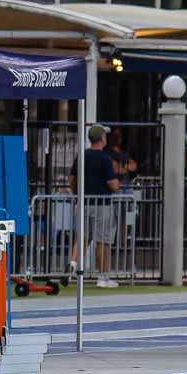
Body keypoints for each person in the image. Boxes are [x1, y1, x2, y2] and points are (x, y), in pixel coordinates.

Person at [70, 123, 120, 289]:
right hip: (102, 204)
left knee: (82, 237)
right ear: (102, 139)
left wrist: (77, 193)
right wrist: (117, 185)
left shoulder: (81, 156)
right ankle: (102, 277)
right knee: (102, 241)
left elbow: (72, 179)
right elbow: (112, 184)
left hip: (84, 202)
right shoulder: (105, 159)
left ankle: (72, 266)